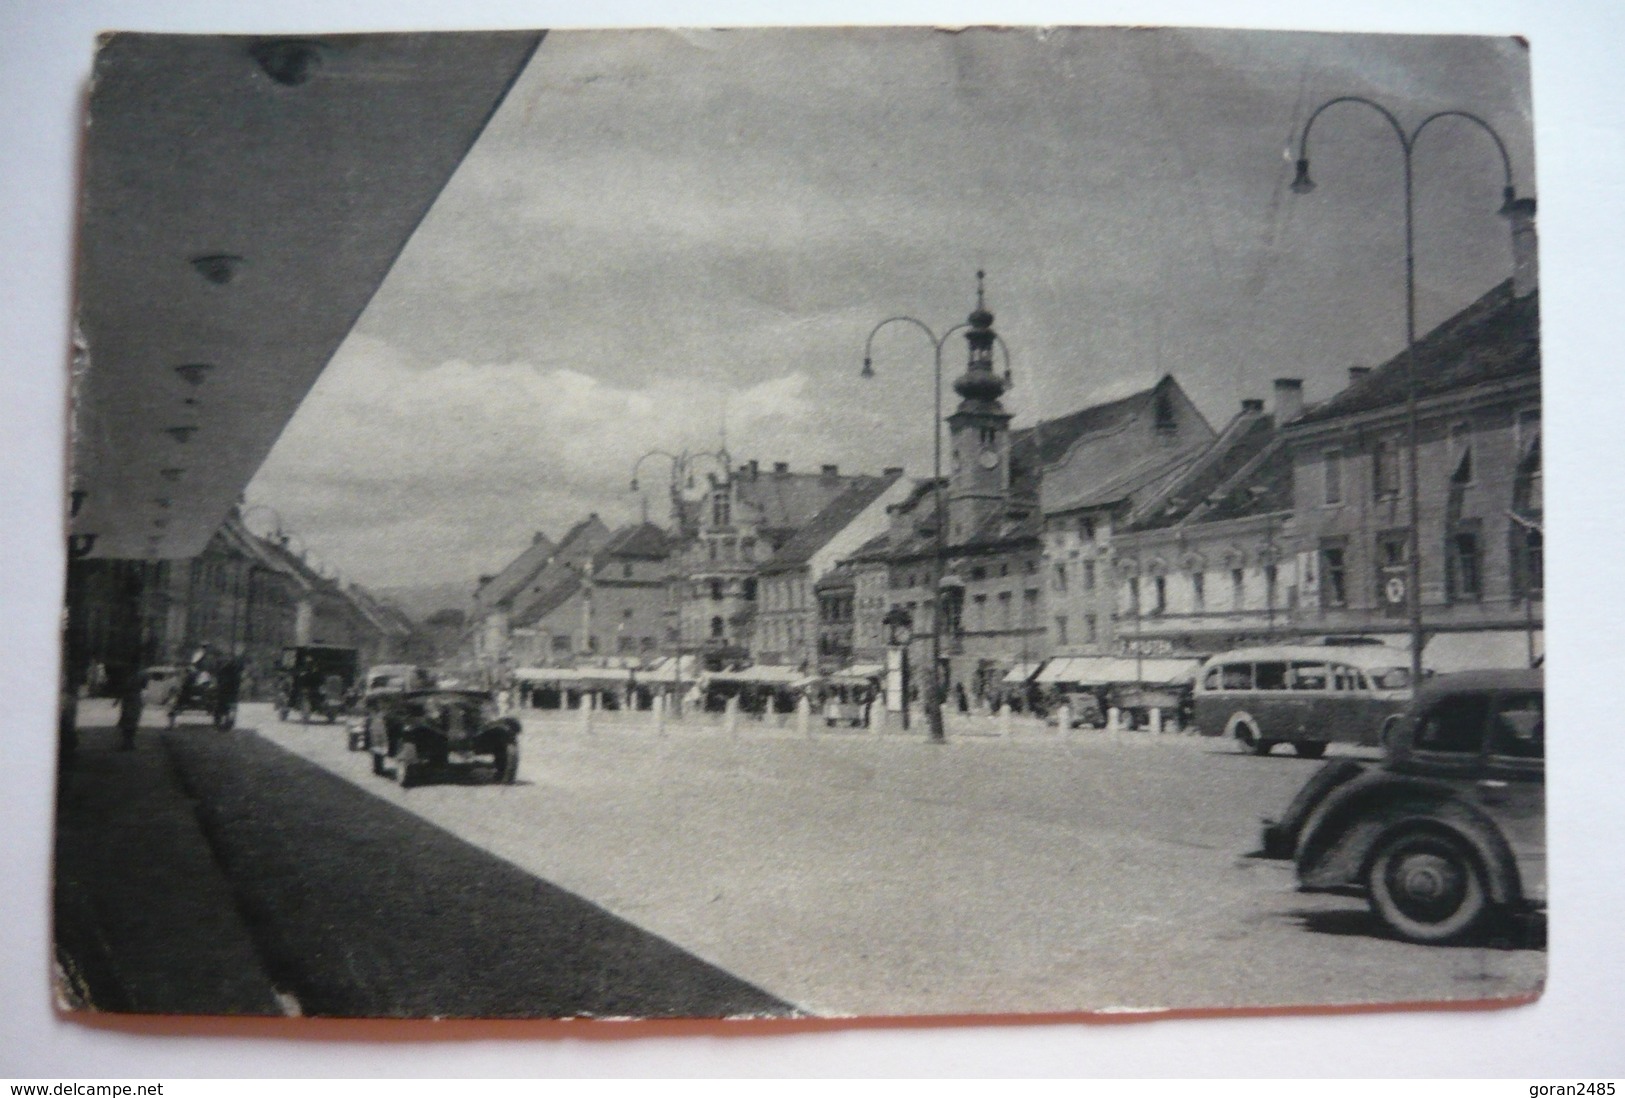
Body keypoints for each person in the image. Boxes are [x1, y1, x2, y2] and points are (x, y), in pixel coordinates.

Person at [117, 670, 145, 750]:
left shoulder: (127, 676)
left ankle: (128, 742)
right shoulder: (141, 674)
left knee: (128, 721)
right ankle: (129, 742)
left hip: (130, 700)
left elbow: (123, 688)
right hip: (134, 700)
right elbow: (144, 686)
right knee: (131, 721)